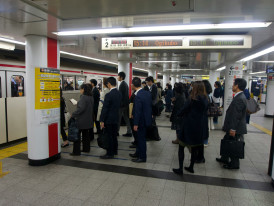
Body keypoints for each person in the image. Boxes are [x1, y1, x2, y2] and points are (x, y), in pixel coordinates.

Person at [173, 81, 209, 175]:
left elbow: (184, 109)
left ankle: (180, 169)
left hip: (188, 126)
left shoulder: (192, 98)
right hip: (199, 126)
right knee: (195, 148)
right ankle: (191, 167)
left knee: (181, 147)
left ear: (196, 88)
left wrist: (178, 114)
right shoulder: (206, 98)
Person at [216, 78, 247, 170]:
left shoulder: (239, 98)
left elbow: (236, 116)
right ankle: (224, 158)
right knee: (227, 140)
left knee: (234, 145)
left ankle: (234, 164)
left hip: (235, 127)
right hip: (234, 126)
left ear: (237, 86)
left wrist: (233, 129)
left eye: (234, 84)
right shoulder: (240, 96)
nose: (232, 86)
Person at [129, 77, 152, 163]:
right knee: (139, 138)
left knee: (141, 139)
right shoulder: (147, 93)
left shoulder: (138, 96)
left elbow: (138, 111)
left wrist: (135, 124)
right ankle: (138, 153)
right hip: (146, 119)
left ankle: (142, 157)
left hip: (140, 121)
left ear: (133, 85)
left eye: (131, 84)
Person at [100, 77, 122, 159]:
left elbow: (105, 109)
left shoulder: (108, 95)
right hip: (116, 117)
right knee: (114, 135)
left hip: (108, 119)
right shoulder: (119, 93)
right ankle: (115, 150)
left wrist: (102, 120)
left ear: (109, 84)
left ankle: (109, 153)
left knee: (109, 136)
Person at [70, 84, 94, 156]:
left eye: (80, 89)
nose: (80, 90)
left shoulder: (83, 97)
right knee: (86, 135)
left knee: (77, 135)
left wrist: (73, 114)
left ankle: (76, 152)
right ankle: (86, 149)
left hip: (81, 120)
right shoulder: (91, 97)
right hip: (88, 119)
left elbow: (81, 109)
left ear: (83, 89)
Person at [117, 72, 132, 137]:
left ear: (121, 77)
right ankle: (129, 131)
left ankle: (117, 132)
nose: (117, 77)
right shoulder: (125, 84)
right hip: (126, 104)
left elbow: (120, 96)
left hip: (121, 105)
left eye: (118, 76)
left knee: (118, 119)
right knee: (126, 118)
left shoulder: (122, 85)